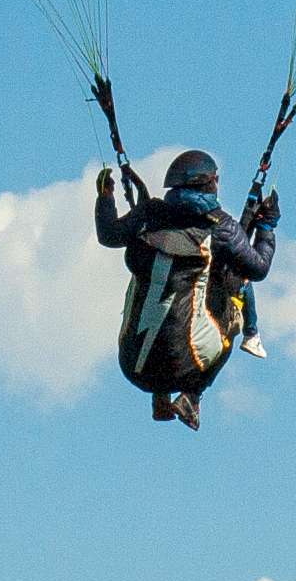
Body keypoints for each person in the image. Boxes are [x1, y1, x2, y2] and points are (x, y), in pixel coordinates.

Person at [97, 149, 277, 430]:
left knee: (165, 294)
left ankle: (160, 395)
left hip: (133, 365)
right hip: (186, 366)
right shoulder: (222, 228)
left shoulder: (149, 213)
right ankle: (192, 396)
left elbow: (108, 235)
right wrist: (266, 226)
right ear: (211, 184)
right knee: (233, 313)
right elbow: (258, 269)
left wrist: (105, 197)